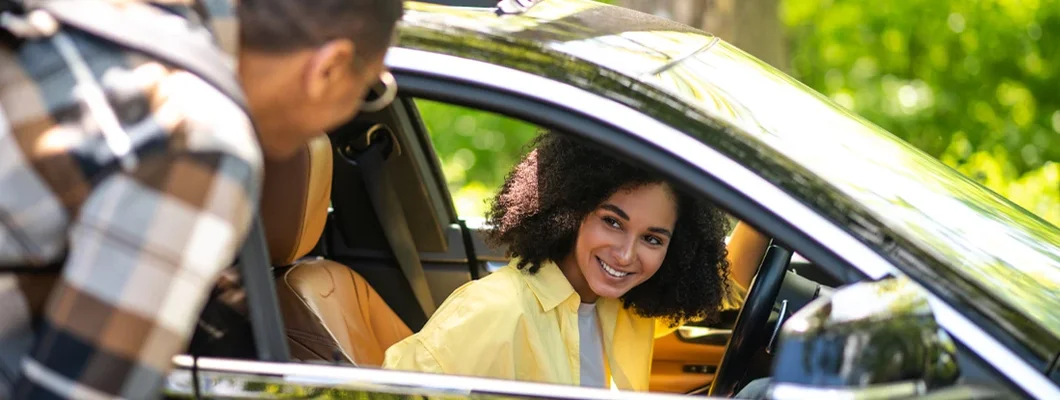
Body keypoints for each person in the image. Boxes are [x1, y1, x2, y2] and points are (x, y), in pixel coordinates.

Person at [0, 0, 403, 398]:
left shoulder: (103, 26)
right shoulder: (200, 141)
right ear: (329, 66)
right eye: (368, 88)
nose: (352, 110)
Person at [383, 131, 770, 391]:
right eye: (612, 222)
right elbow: (390, 392)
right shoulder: (494, 312)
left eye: (652, 238)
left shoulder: (621, 308)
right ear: (571, 209)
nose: (625, 255)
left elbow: (727, 285)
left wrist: (771, 210)